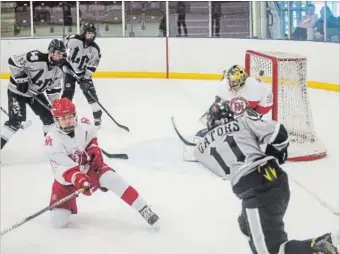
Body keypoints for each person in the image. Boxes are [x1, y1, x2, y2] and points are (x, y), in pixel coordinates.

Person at [193, 101, 339, 254]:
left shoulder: (200, 149)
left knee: (273, 251)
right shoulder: (243, 122)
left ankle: (323, 246)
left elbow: (211, 161)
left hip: (255, 192)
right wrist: (273, 153)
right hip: (276, 180)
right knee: (245, 225)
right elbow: (279, 133)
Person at [44, 98, 159, 228]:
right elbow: (63, 169)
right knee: (57, 223)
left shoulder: (83, 124)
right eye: (63, 118)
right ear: (56, 120)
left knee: (112, 178)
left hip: (90, 168)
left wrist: (94, 147)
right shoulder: (52, 141)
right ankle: (69, 205)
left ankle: (144, 209)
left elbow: (92, 137)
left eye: (70, 116)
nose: (68, 120)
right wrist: (79, 179)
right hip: (66, 182)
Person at [1, 39, 66, 150]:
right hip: (17, 91)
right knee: (15, 121)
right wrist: (20, 78)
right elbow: (13, 61)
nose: (59, 57)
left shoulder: (59, 70)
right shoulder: (35, 57)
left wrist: (56, 107)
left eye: (62, 54)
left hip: (35, 94)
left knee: (49, 119)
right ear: (50, 52)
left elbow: (53, 90)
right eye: (57, 53)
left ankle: (51, 149)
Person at [197, 65, 273, 138]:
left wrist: (256, 114)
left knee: (247, 122)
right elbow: (219, 105)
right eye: (230, 81)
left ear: (242, 79)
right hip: (235, 118)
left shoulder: (256, 87)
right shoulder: (224, 86)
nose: (231, 84)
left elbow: (265, 105)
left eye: (235, 81)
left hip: (248, 121)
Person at [61, 22, 103, 127]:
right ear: (84, 33)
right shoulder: (74, 40)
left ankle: (97, 116)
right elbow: (61, 47)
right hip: (70, 72)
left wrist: (85, 79)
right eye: (88, 34)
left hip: (83, 74)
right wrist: (62, 59)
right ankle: (63, 116)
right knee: (67, 95)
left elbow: (92, 66)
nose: (90, 36)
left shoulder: (95, 49)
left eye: (92, 34)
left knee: (91, 96)